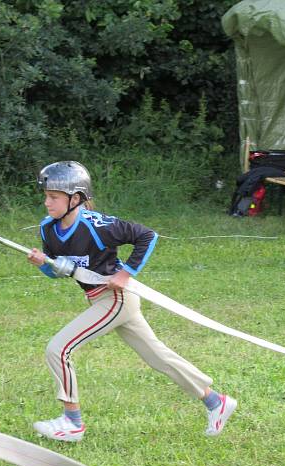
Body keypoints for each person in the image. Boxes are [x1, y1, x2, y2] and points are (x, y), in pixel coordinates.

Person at [26, 161, 237, 442]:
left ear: (75, 199)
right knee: (158, 356)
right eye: (46, 196)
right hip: (98, 299)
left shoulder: (98, 226)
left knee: (58, 348)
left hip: (116, 299)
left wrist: (125, 274)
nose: (47, 202)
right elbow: (57, 272)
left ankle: (72, 422)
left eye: (54, 197)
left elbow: (146, 236)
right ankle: (216, 402)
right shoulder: (48, 230)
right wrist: (43, 264)